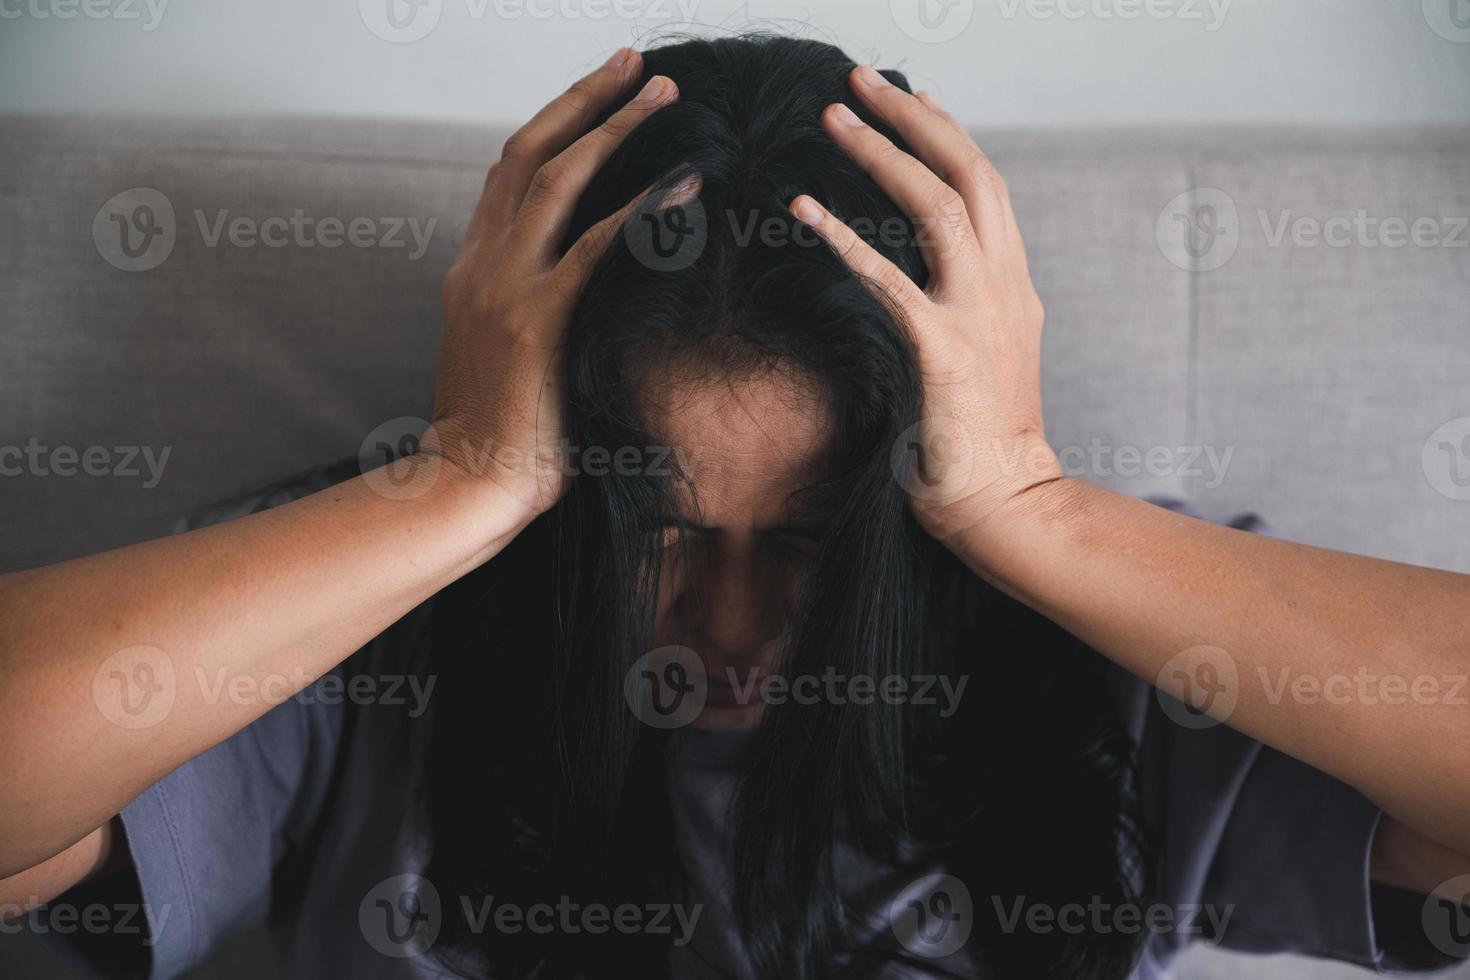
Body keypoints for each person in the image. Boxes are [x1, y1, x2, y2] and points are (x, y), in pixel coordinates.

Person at [1, 33, 1468, 980]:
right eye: (656, 539)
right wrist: (458, 485)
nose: (731, 628)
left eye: (819, 545)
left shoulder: (1113, 636)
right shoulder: (360, 624)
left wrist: (1035, 510)